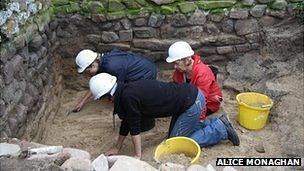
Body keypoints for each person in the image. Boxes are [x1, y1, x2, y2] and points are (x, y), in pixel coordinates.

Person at [89, 73, 240, 159]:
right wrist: (117, 147)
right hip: (188, 97)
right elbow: (127, 121)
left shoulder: (128, 96)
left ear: (109, 95)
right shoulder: (126, 90)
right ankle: (217, 123)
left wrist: (137, 155)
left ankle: (220, 129)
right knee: (174, 135)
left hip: (191, 102)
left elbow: (134, 126)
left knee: (177, 143)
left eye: (103, 98)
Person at [74, 48, 157, 112]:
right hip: (144, 65)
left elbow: (121, 87)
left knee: (128, 96)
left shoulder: (111, 67)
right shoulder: (104, 61)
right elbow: (96, 84)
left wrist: (115, 99)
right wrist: (82, 102)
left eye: (88, 71)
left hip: (146, 73)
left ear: (93, 65)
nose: (89, 73)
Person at [166, 41, 223, 121]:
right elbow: (176, 90)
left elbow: (202, 99)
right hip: (190, 98)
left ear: (187, 60)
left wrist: (199, 120)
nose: (175, 67)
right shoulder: (179, 72)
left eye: (177, 63)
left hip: (209, 103)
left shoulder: (202, 73)